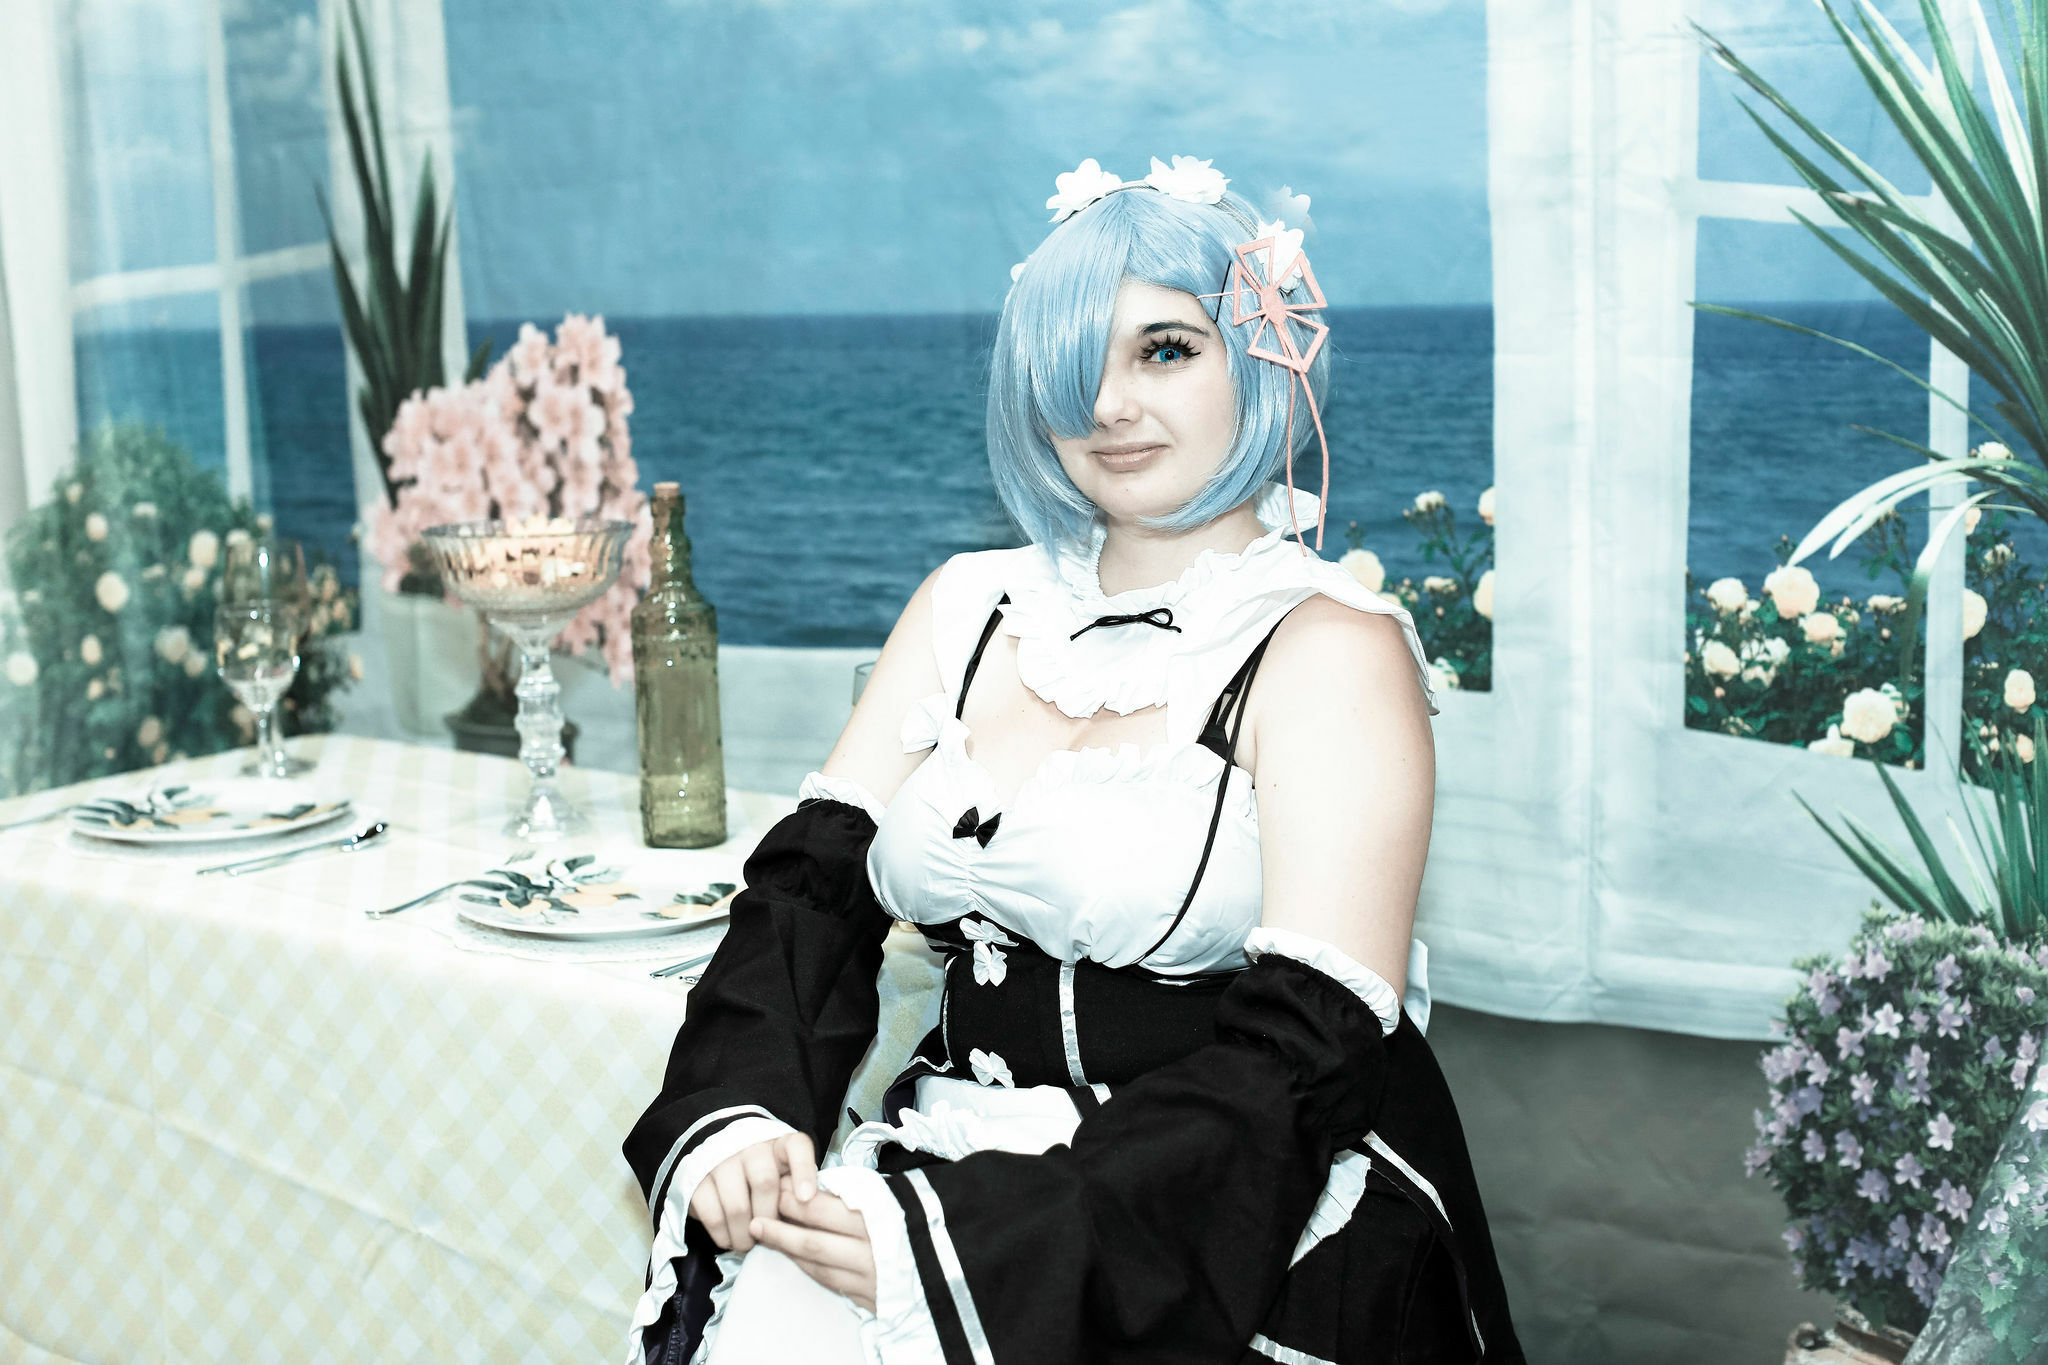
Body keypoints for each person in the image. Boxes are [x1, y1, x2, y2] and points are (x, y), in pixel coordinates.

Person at [622, 156, 1523, 1365]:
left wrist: (977, 1245)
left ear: (1261, 354)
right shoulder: (965, 605)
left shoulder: (1330, 649)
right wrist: (740, 1111)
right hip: (949, 1166)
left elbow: (1303, 1059)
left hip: (1230, 1216)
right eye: (1070, 362)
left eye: (1164, 350)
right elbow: (806, 902)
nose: (1107, 405)